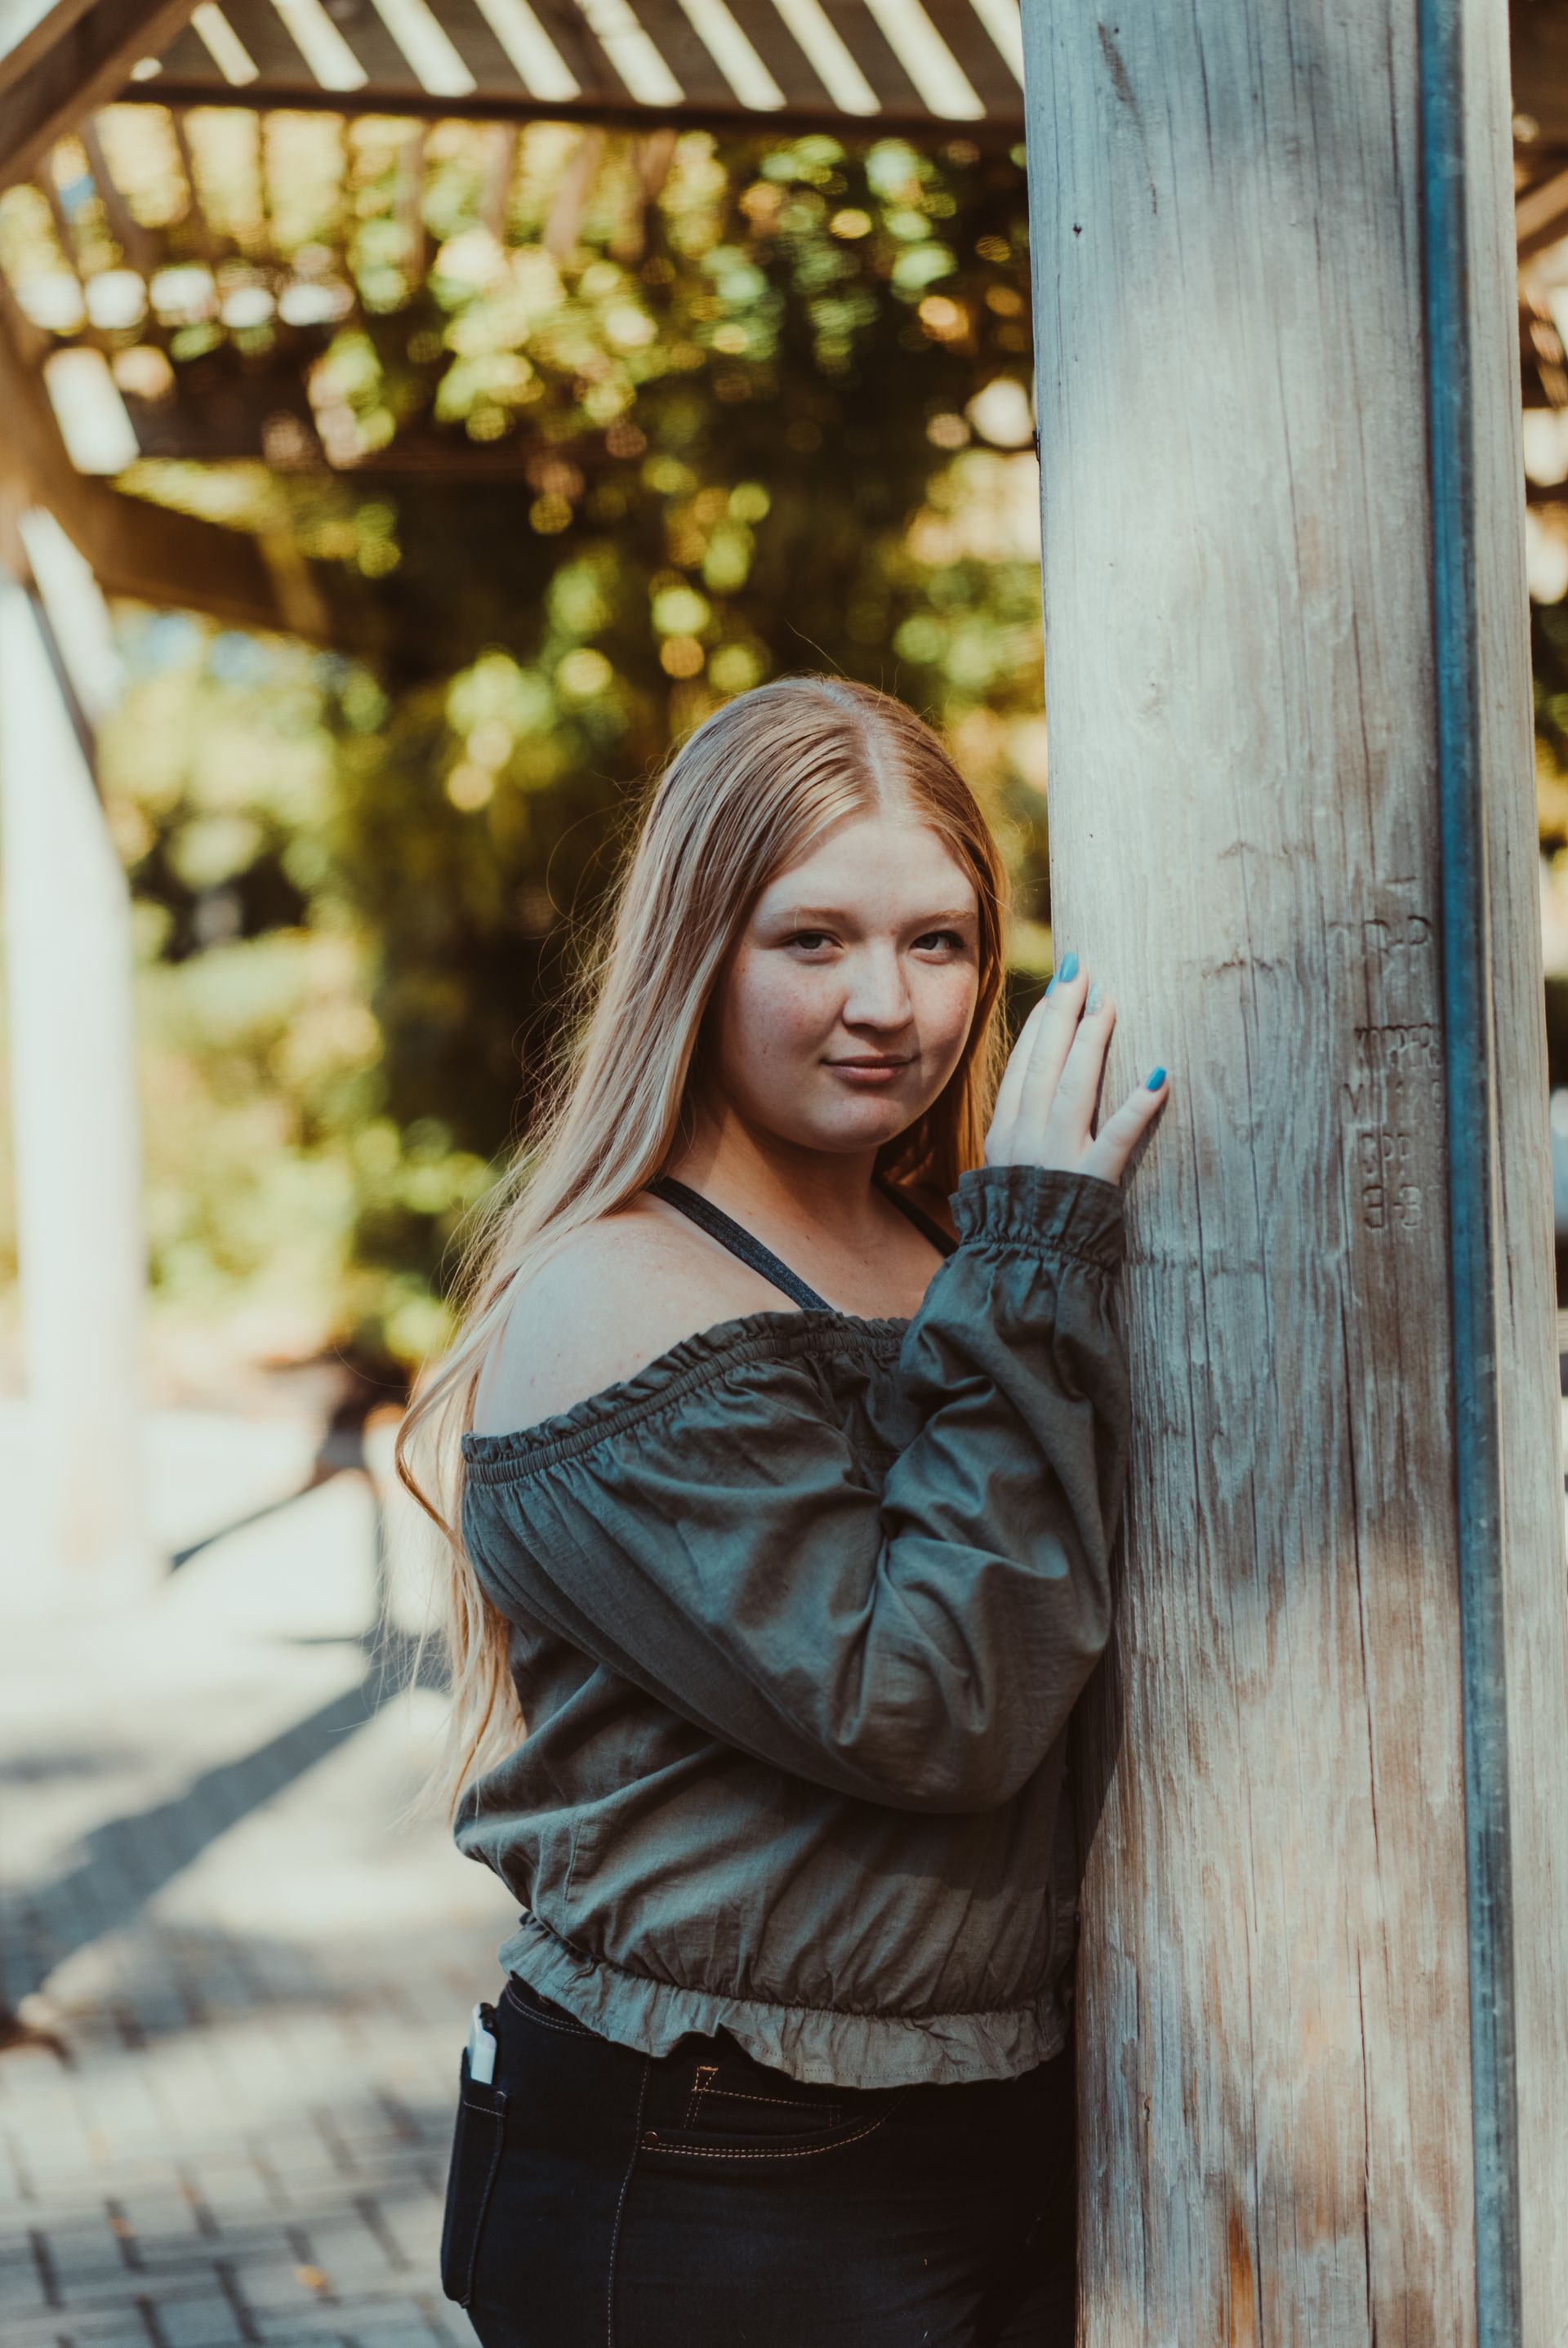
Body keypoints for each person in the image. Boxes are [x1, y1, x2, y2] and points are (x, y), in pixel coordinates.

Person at [397, 674, 1168, 2346]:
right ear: (699, 953)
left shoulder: (942, 1248)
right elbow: (933, 1704)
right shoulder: (622, 1291)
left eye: (941, 941)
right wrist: (1034, 1259)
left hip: (997, 2126)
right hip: (719, 2171)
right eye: (811, 940)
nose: (889, 1001)